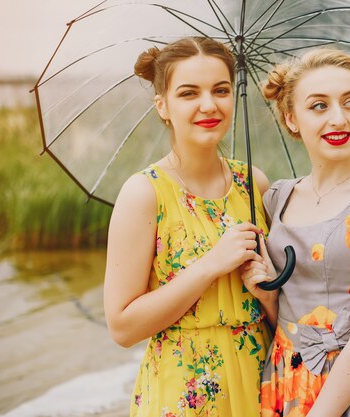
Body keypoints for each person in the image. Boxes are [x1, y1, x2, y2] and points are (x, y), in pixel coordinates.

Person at [103, 36, 277, 416]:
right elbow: (122, 327)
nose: (208, 105)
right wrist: (210, 265)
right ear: (162, 106)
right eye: (188, 93)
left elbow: (282, 310)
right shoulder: (144, 194)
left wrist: (267, 293)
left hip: (261, 382)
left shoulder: (254, 185)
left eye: (221, 90)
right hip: (184, 393)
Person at [242, 48, 350, 417]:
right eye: (319, 106)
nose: (339, 119)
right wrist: (268, 297)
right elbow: (289, 316)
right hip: (286, 377)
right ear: (291, 118)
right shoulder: (277, 198)